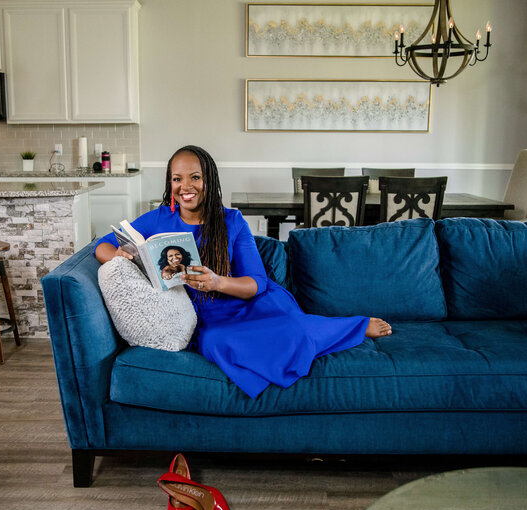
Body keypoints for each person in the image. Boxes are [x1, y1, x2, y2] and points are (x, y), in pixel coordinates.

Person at [94, 145, 392, 398]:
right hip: (208, 321)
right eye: (177, 179)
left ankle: (353, 326)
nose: (186, 187)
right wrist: (124, 256)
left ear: (209, 181)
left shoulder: (232, 221)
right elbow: (101, 247)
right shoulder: (158, 219)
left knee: (295, 329)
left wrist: (216, 281)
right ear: (170, 184)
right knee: (214, 344)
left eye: (195, 177)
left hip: (248, 305)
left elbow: (256, 284)